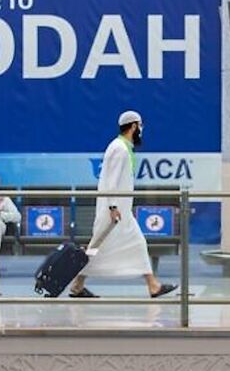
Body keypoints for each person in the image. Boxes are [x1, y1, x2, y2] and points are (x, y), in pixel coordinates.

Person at [69, 110, 178, 298]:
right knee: (97, 247)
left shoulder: (123, 147)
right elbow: (111, 180)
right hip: (114, 211)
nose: (141, 130)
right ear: (134, 126)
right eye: (140, 126)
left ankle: (152, 285)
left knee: (129, 244)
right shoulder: (119, 149)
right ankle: (78, 284)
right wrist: (112, 207)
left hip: (121, 211)